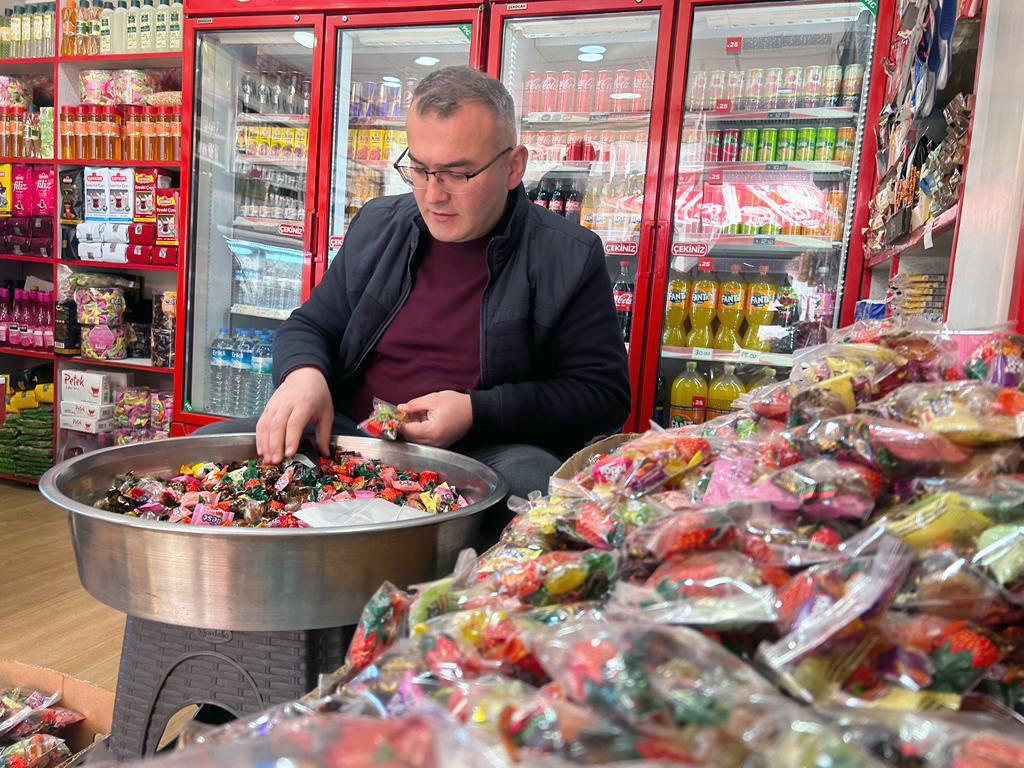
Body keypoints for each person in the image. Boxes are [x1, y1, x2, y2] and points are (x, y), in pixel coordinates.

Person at [199, 66, 630, 500]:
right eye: (420, 169)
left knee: (532, 485)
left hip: (487, 452)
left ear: (514, 166)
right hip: (356, 436)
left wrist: (476, 412)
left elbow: (602, 396)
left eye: (458, 174)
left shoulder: (569, 254)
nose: (433, 195)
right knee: (212, 455)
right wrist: (303, 375)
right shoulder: (377, 223)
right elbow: (311, 325)